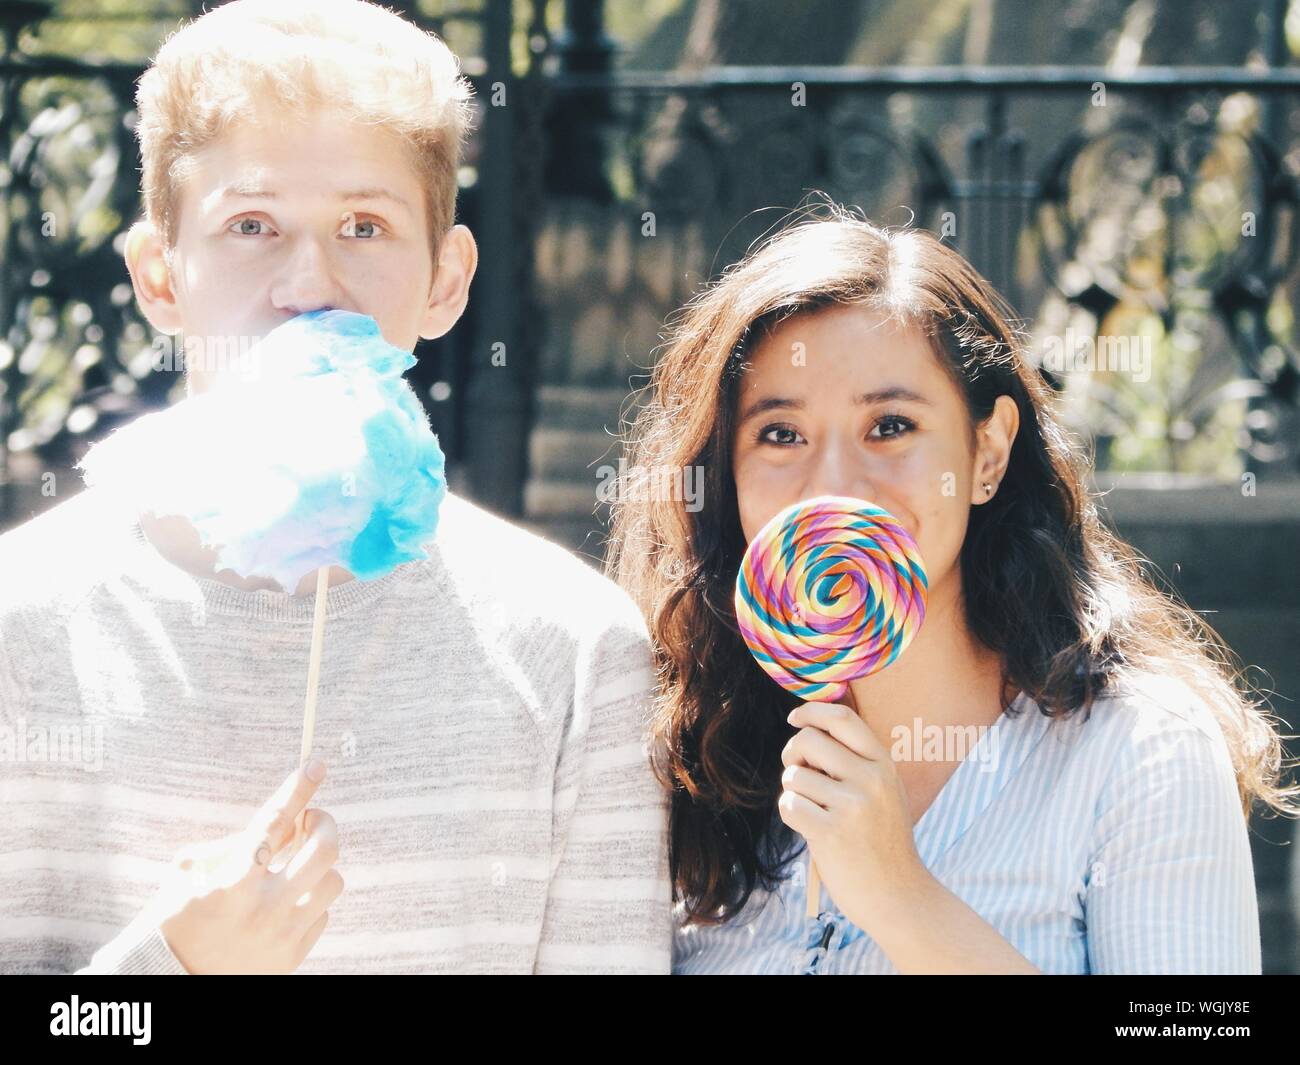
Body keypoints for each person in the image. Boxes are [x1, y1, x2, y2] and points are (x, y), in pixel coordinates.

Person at [0, 0, 670, 975]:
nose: (309, 284)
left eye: (365, 225)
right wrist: (171, 968)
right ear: (159, 276)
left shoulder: (573, 651)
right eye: (251, 224)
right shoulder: (21, 626)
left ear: (446, 280)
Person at [605, 203, 1300, 974]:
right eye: (781, 434)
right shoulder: (684, 757)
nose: (834, 482)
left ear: (987, 452)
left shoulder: (1142, 753)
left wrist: (901, 897)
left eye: (891, 425)